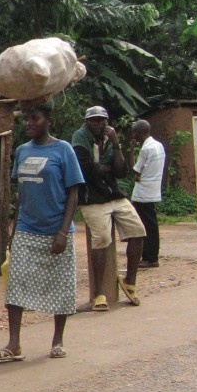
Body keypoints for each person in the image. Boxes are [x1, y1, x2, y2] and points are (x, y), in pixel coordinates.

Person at [0, 104, 84, 363]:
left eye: (35, 118)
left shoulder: (63, 150)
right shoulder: (22, 151)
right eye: (26, 119)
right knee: (16, 285)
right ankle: (14, 343)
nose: (29, 123)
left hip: (56, 230)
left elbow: (73, 193)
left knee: (60, 285)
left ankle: (57, 340)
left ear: (48, 120)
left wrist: (63, 231)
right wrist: (13, 228)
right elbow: (21, 193)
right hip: (26, 228)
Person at [70, 105, 146, 310]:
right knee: (102, 238)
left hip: (113, 194)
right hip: (91, 197)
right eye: (94, 120)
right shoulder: (80, 137)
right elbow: (85, 169)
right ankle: (99, 293)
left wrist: (116, 144)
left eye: (102, 120)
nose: (98, 124)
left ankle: (130, 281)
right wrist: (105, 168)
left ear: (107, 121)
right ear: (87, 122)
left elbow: (121, 172)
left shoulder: (111, 139)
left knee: (138, 231)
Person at [130, 120, 165, 266]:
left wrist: (131, 150)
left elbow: (135, 171)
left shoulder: (145, 149)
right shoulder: (158, 145)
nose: (134, 135)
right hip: (153, 189)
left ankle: (149, 257)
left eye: (135, 132)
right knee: (152, 224)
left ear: (142, 132)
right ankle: (152, 256)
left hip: (142, 192)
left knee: (143, 226)